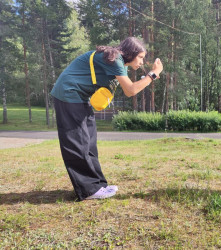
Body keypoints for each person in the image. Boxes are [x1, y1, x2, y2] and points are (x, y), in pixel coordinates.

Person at [50, 37, 163, 201]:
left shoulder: (117, 61)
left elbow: (130, 86)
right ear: (130, 53)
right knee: (77, 143)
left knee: (89, 142)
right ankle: (88, 190)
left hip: (80, 98)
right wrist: (153, 74)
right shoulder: (115, 58)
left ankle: (98, 186)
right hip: (68, 95)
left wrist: (149, 76)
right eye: (140, 57)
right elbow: (130, 90)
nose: (142, 61)